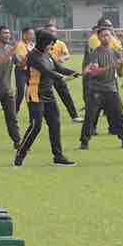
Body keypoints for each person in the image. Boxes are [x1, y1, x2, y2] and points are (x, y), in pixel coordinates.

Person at [14, 29, 80, 167]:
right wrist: (64, 78)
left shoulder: (47, 54)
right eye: (50, 44)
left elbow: (59, 68)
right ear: (43, 42)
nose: (52, 46)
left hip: (48, 94)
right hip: (35, 93)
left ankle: (58, 156)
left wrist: (76, 73)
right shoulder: (33, 57)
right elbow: (48, 72)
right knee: (36, 126)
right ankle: (21, 153)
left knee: (55, 124)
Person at [79, 26, 123, 150]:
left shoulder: (115, 52)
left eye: (108, 35)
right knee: (90, 116)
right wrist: (112, 65)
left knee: (119, 114)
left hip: (111, 89)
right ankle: (84, 142)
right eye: (103, 35)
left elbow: (121, 74)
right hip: (96, 89)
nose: (106, 37)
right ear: (99, 38)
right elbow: (94, 72)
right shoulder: (95, 53)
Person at [44, 22, 81, 122]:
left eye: (53, 31)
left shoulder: (60, 44)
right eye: (50, 31)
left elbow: (66, 57)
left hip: (56, 71)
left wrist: (76, 73)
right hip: (44, 75)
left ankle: (74, 116)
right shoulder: (39, 48)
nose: (52, 33)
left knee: (65, 94)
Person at [13, 27, 34, 113]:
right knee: (20, 92)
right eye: (30, 34)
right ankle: (14, 111)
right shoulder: (20, 45)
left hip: (31, 71)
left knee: (32, 91)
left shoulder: (32, 44)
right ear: (24, 35)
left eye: (33, 34)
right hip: (21, 71)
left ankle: (33, 112)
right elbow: (21, 59)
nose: (32, 36)